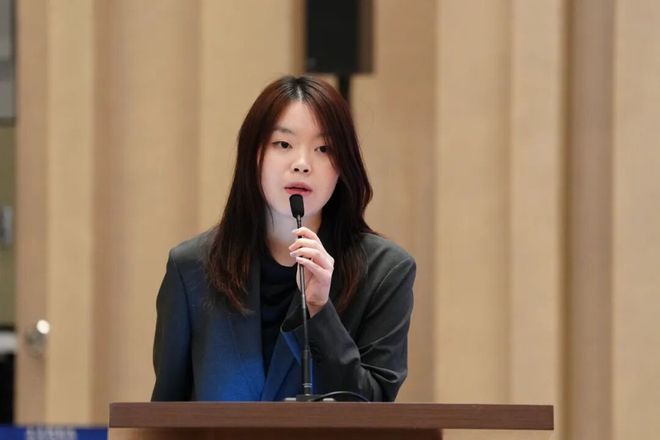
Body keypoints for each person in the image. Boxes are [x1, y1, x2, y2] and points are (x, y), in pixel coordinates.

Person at [151, 75, 416, 402]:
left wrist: (320, 311)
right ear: (254, 155)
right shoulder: (191, 267)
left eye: (324, 149)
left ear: (343, 167)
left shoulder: (385, 271)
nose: (302, 164)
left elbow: (374, 408)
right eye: (283, 145)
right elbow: (167, 410)